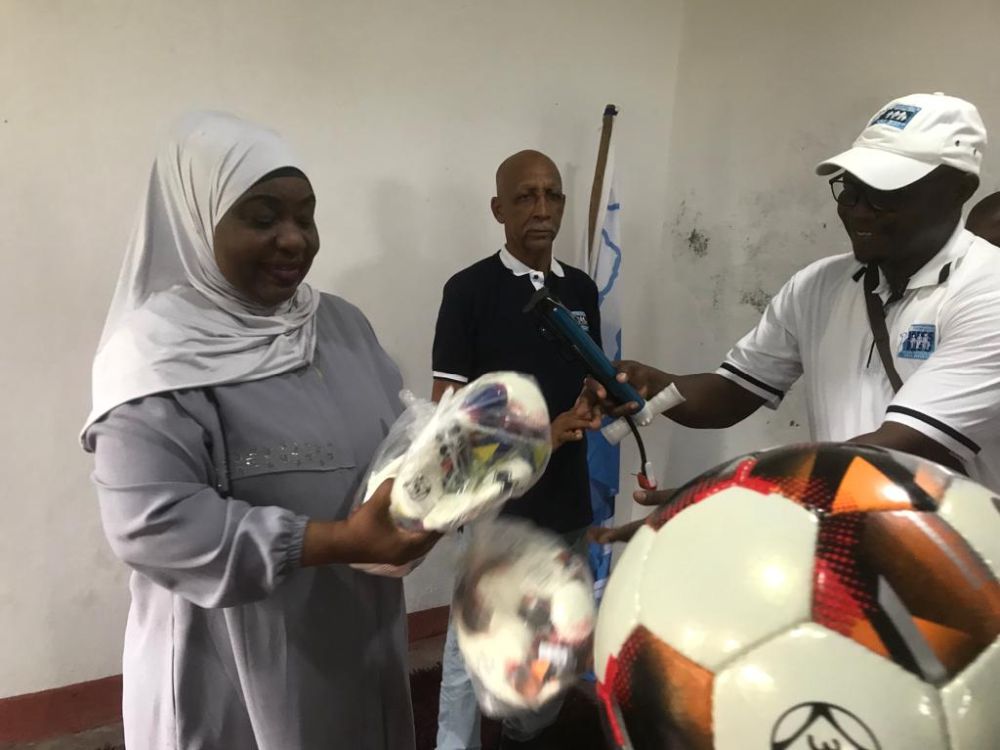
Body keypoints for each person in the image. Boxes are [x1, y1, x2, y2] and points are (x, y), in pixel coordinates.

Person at [81, 111, 439, 750]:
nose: (294, 239)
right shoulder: (155, 354)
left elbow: (397, 444)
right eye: (263, 217)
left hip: (354, 630)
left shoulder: (340, 325)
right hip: (228, 661)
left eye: (306, 217)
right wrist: (331, 541)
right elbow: (151, 523)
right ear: (196, 221)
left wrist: (437, 494)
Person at [587, 92, 1000, 514]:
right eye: (850, 191)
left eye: (885, 195)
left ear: (959, 190)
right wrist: (655, 385)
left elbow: (900, 450)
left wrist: (730, 492)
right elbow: (733, 391)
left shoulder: (988, 290)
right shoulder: (819, 286)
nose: (859, 212)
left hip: (958, 549)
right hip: (843, 534)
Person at [431, 150, 601, 749]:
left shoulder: (580, 289)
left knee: (554, 642)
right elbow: (446, 415)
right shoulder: (469, 291)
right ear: (499, 209)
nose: (542, 209)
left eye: (552, 195)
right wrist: (540, 435)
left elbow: (589, 378)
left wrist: (597, 402)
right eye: (526, 196)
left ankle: (523, 731)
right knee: (468, 649)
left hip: (566, 500)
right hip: (495, 504)